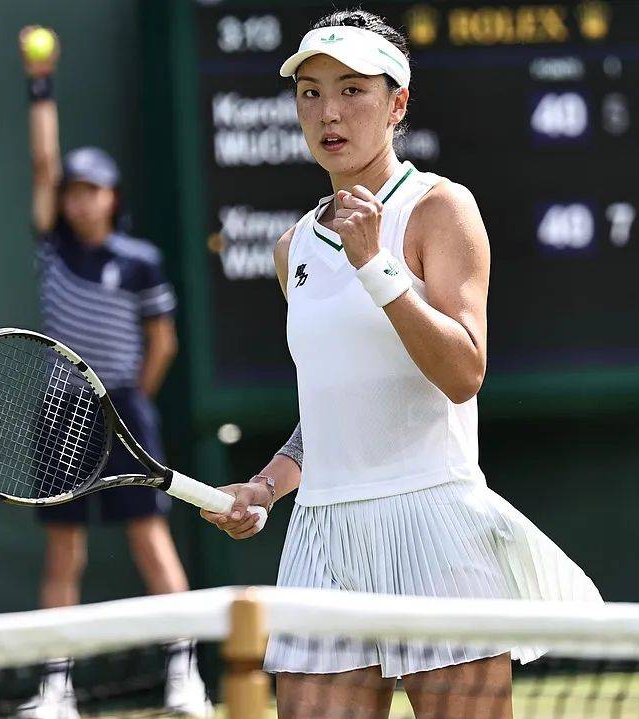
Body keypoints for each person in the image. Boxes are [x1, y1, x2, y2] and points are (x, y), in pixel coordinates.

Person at [199, 9, 604, 719]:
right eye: (311, 93)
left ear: (396, 105)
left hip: (435, 526)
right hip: (324, 537)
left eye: (352, 90)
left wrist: (376, 267)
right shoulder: (292, 248)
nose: (328, 112)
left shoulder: (440, 208)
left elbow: (463, 372)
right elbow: (331, 409)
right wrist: (266, 486)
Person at [17, 26, 211, 719]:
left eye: (92, 190)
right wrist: (41, 85)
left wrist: (129, 403)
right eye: (72, 191)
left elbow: (164, 342)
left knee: (151, 542)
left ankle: (186, 679)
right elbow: (43, 162)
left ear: (112, 197)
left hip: (126, 408)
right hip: (59, 412)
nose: (80, 200)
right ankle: (56, 689)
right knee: (62, 554)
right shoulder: (54, 247)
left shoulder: (140, 260)